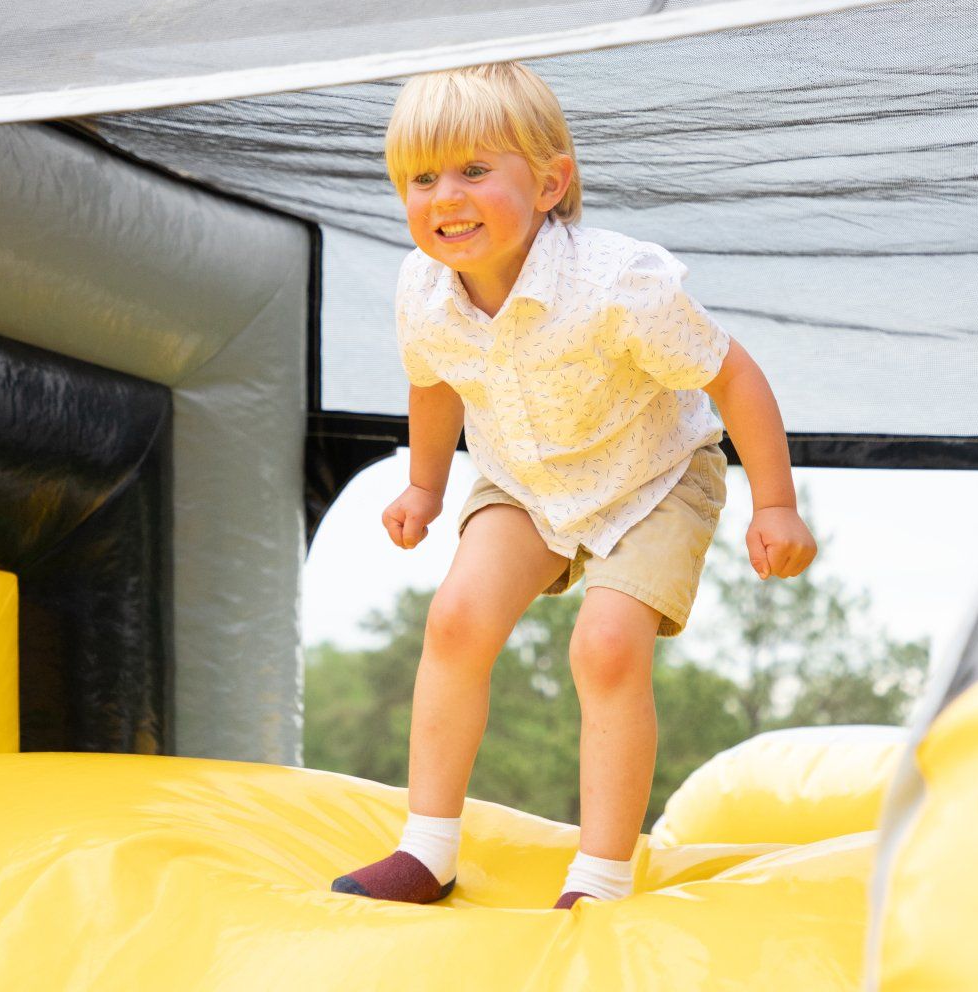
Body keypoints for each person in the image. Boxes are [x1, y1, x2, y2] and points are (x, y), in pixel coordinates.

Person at [330, 61, 816, 911]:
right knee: (456, 620)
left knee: (605, 646)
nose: (446, 197)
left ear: (550, 184)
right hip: (524, 480)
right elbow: (433, 382)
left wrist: (775, 504)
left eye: (474, 170)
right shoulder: (423, 289)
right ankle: (427, 851)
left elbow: (732, 375)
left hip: (653, 477)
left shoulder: (618, 285)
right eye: (422, 178)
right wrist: (424, 488)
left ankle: (600, 878)